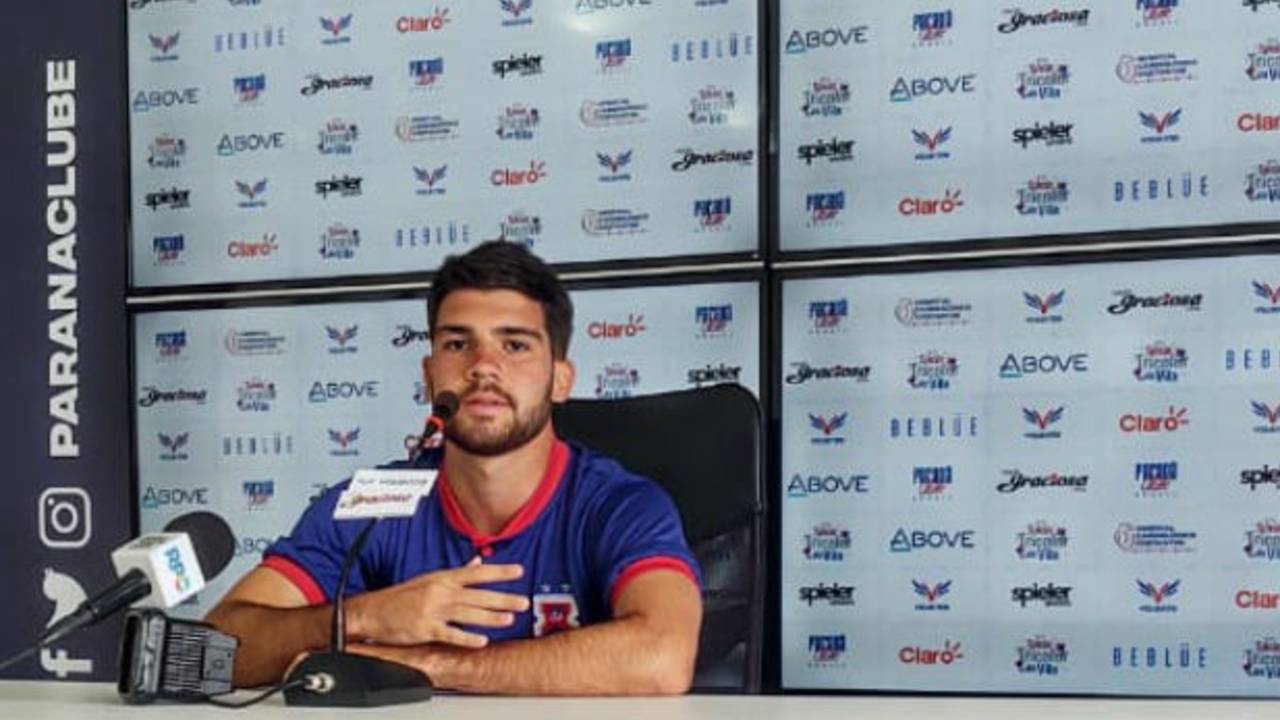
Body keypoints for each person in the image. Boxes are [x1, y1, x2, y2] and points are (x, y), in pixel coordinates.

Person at [205, 241, 703, 695]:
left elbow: (664, 657)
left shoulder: (619, 505)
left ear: (560, 379)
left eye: (514, 345)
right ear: (429, 374)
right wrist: (364, 617)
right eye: (458, 344)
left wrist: (421, 664)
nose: (483, 366)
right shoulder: (369, 505)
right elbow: (215, 650)